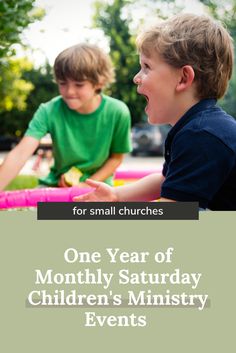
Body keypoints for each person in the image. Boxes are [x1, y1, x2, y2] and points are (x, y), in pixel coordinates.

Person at [74, 13, 236, 210]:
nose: (136, 77)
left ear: (183, 78)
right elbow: (166, 181)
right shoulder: (196, 127)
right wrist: (116, 196)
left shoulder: (201, 135)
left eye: (146, 67)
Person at [0, 44, 132, 190]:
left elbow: (116, 158)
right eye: (63, 83)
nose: (69, 91)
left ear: (99, 82)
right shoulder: (48, 110)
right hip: (56, 185)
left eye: (79, 84)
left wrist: (85, 185)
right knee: (34, 212)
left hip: (98, 187)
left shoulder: (118, 112)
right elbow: (20, 153)